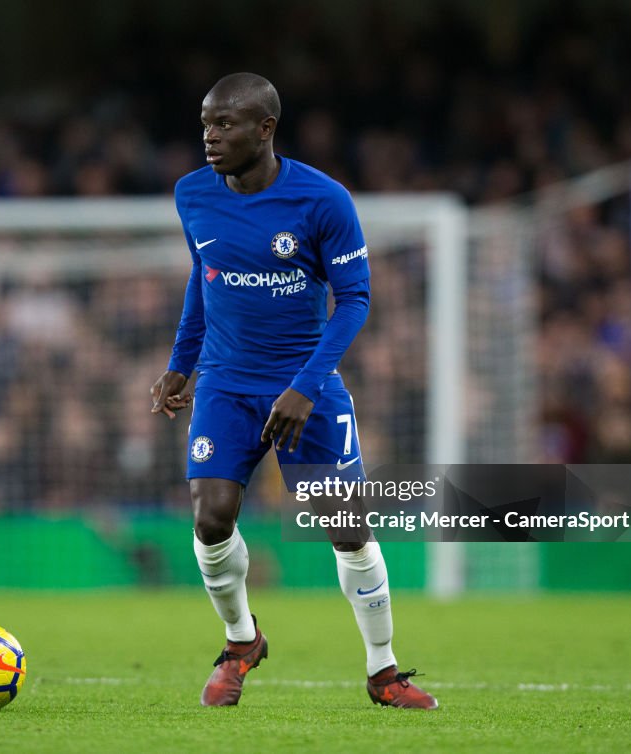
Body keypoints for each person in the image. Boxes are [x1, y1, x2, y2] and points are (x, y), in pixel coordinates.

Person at [150, 73, 437, 709]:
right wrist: (182, 362)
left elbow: (355, 299)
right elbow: (205, 273)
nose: (210, 136)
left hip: (305, 384)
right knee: (211, 515)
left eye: (225, 124)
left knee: (348, 530)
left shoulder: (322, 200)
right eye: (205, 123)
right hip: (225, 385)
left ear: (266, 129)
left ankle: (384, 671)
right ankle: (241, 641)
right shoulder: (191, 194)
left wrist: (306, 386)